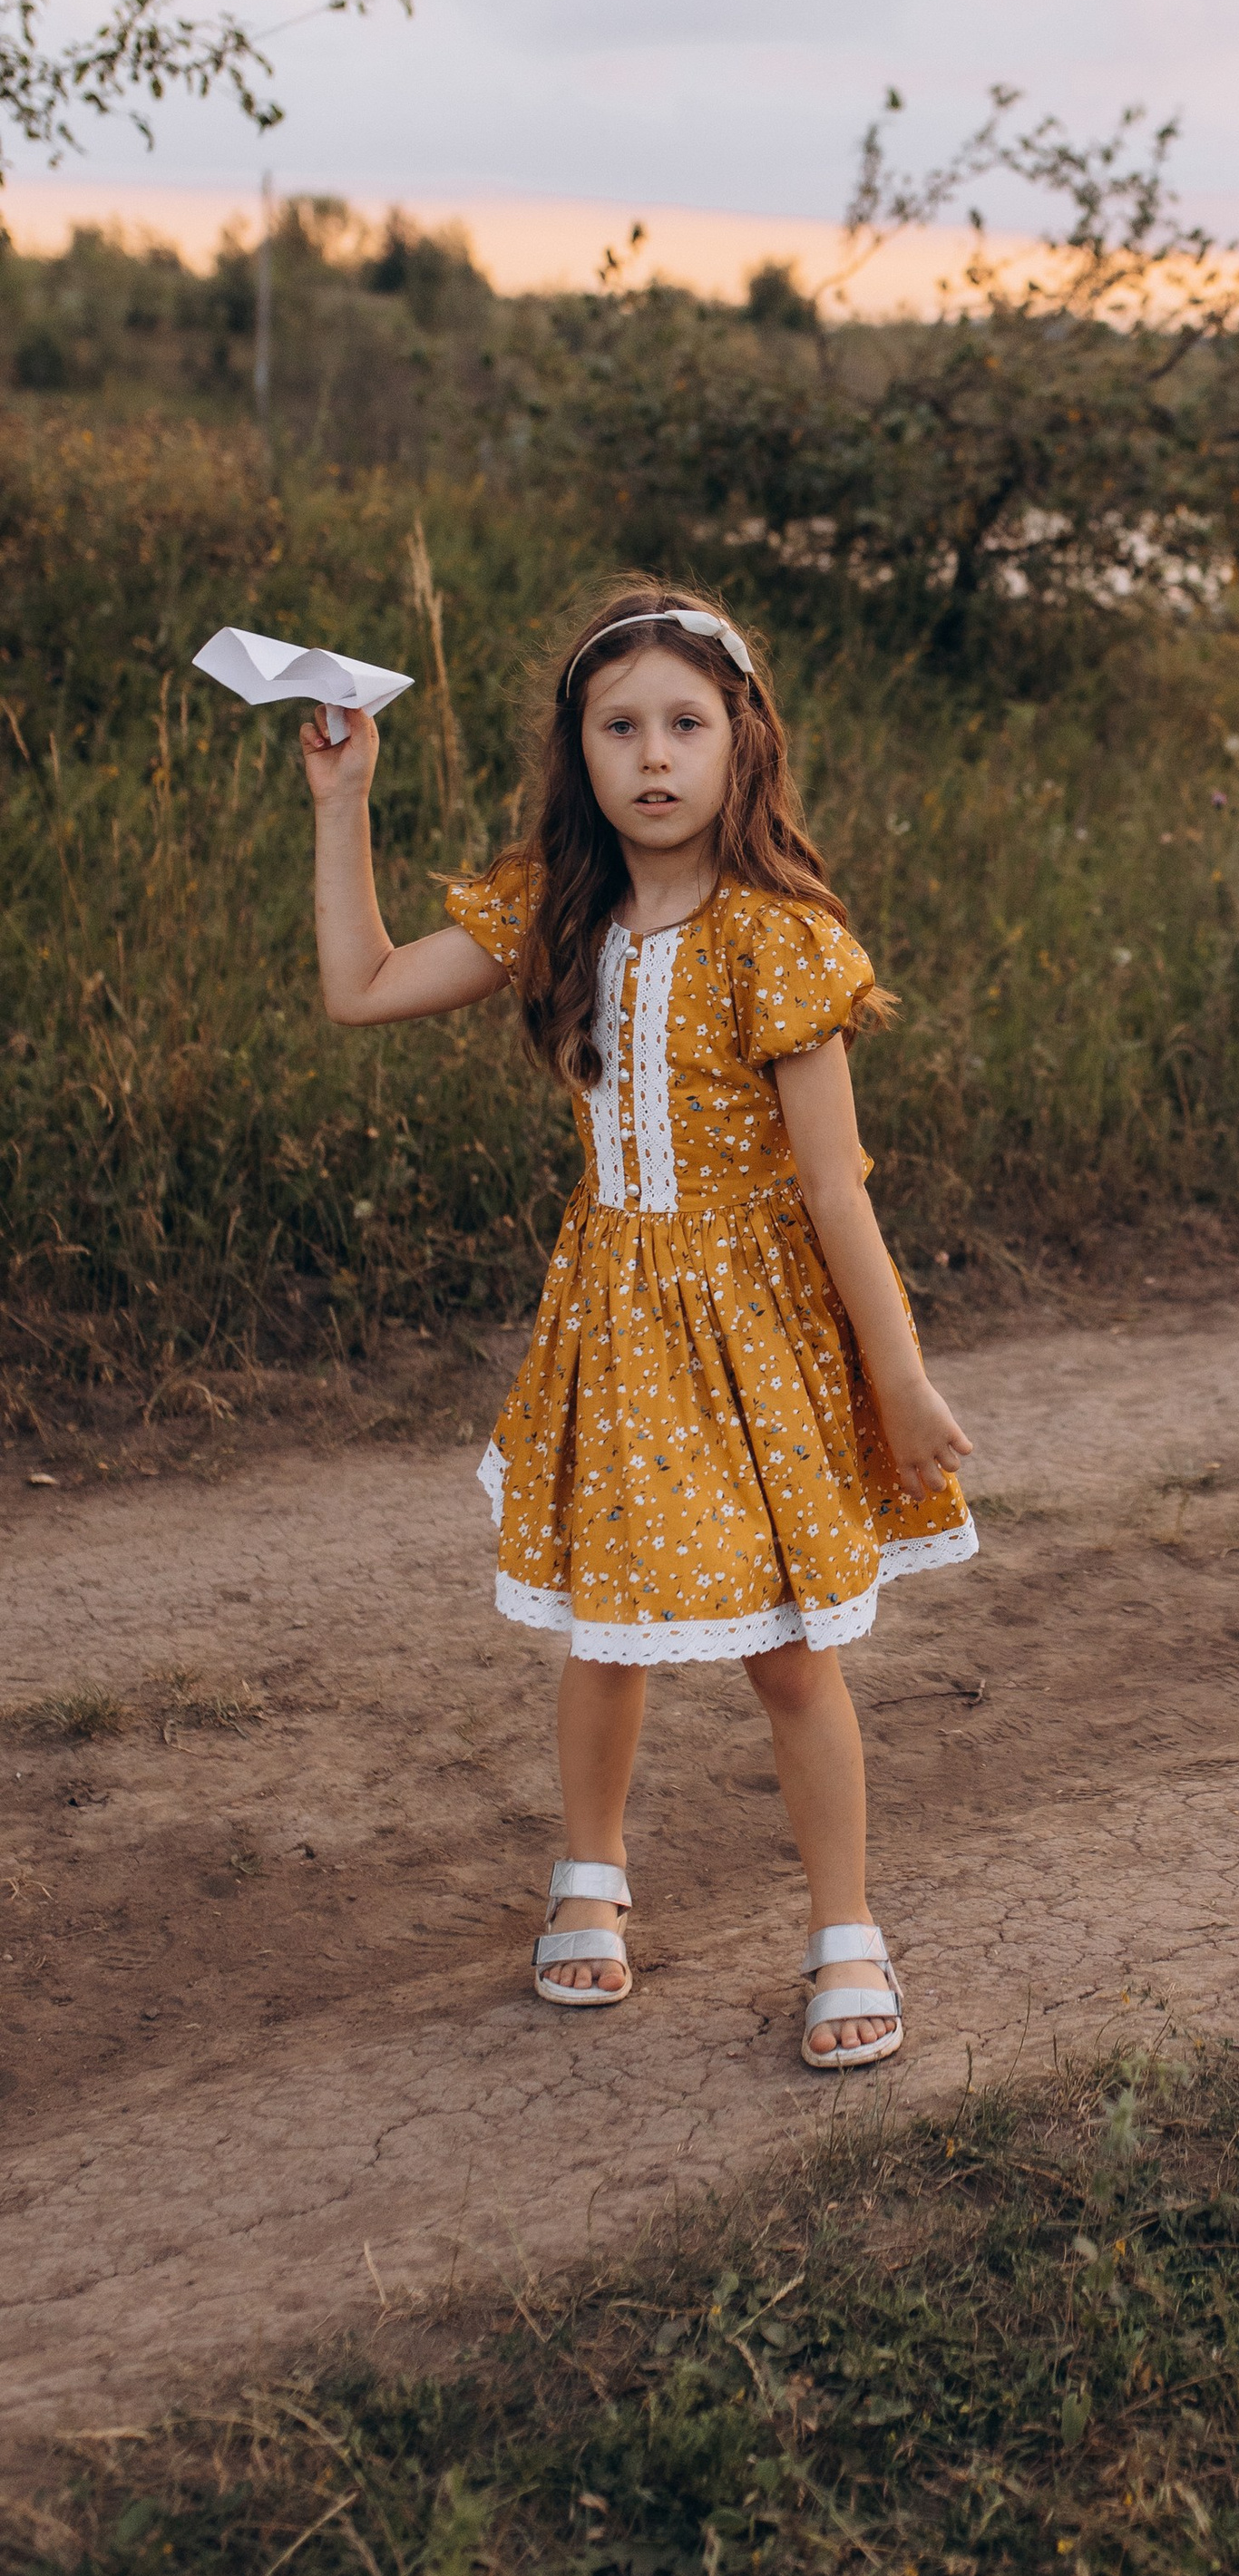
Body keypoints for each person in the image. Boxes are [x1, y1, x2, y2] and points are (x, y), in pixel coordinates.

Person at [302, 583, 976, 2062]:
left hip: (756, 1337)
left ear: (745, 744)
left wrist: (902, 1377)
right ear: (581, 749)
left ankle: (845, 1931)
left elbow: (834, 1186)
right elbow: (358, 989)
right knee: (604, 1631)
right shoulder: (563, 905)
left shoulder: (781, 935)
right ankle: (590, 1881)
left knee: (790, 1647)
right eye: (622, 726)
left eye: (688, 722)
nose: (655, 756)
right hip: (611, 1323)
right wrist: (343, 796)